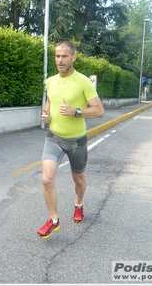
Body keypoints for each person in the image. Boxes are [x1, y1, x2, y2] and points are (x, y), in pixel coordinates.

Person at [38, 41, 105, 239]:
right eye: (57, 56)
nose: (60, 60)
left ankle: (78, 203)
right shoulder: (50, 81)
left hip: (77, 141)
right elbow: (50, 100)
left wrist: (75, 111)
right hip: (54, 138)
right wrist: (46, 114)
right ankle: (54, 220)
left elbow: (100, 111)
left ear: (73, 57)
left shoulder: (83, 82)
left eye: (64, 56)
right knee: (46, 179)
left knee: (78, 179)